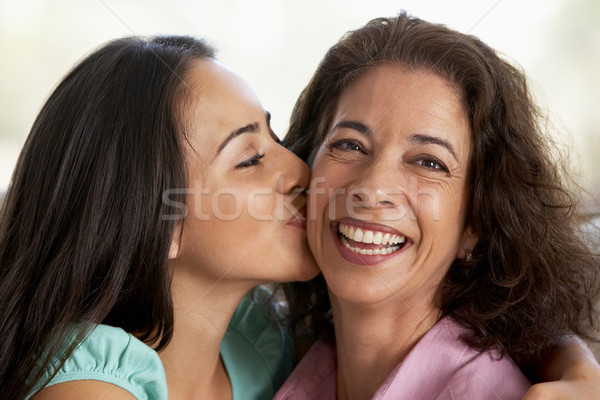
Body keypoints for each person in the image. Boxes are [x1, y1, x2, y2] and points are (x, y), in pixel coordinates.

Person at [276, 13, 600, 400]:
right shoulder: (281, 363)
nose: (372, 188)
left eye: (429, 162)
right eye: (349, 144)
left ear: (475, 224)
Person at [0, 36, 318, 399]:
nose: (300, 170)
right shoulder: (85, 387)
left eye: (274, 138)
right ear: (162, 224)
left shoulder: (263, 349)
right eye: (249, 159)